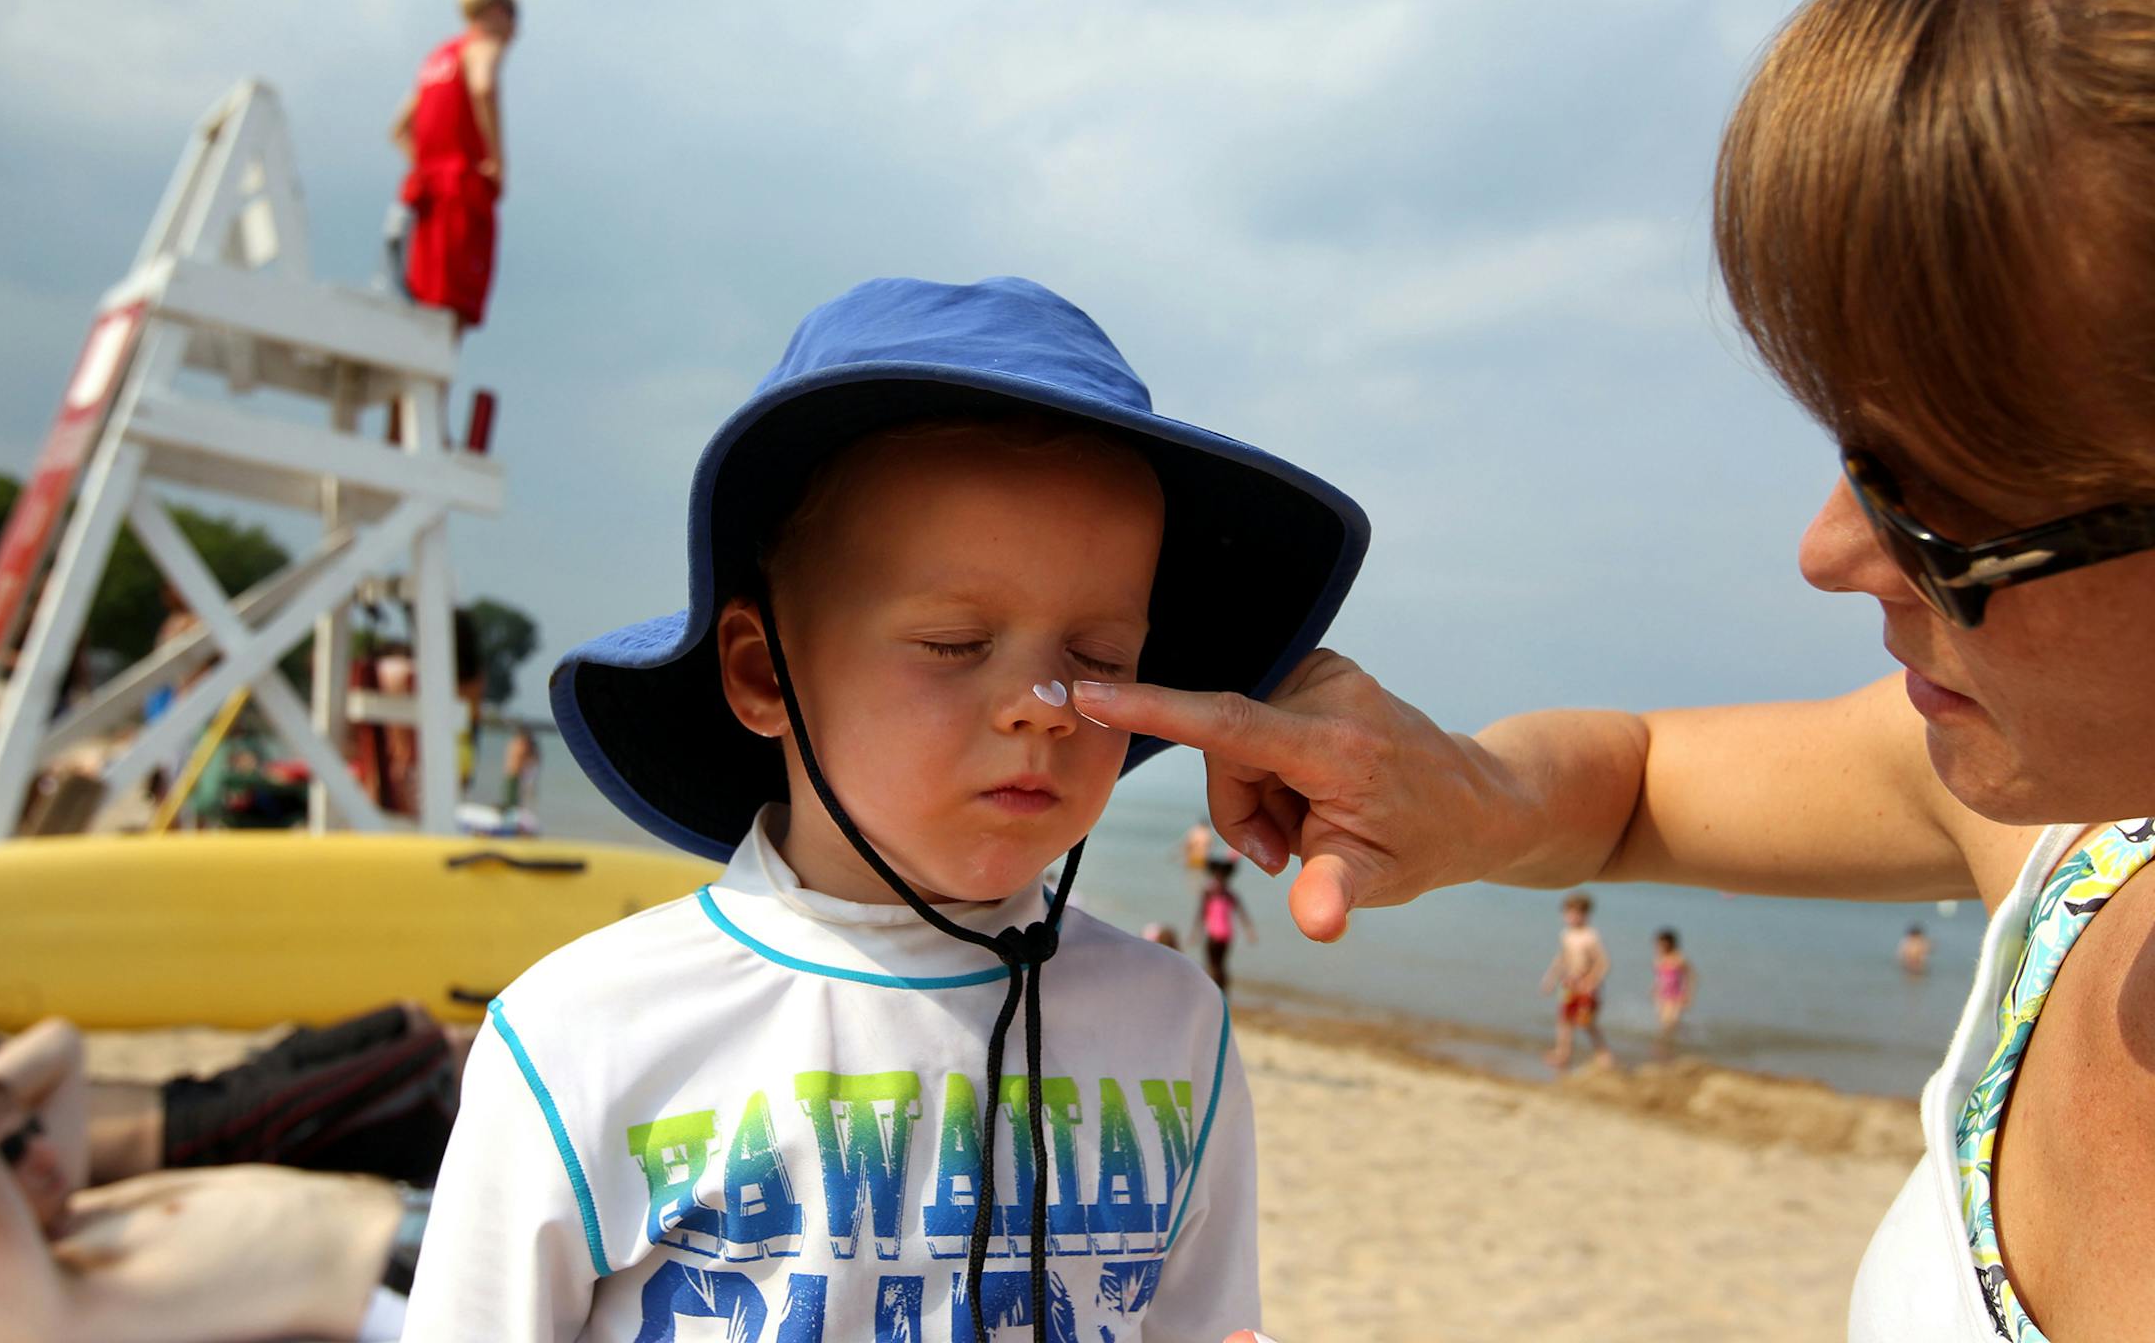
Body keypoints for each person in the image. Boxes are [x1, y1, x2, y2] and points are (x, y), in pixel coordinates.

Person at [1084, 0, 2155, 1338]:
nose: (1830, 551)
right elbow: (1636, 785)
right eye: (1849, 453)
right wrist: (1467, 793)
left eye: (1935, 502)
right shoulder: (2076, 834)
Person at [401, 277, 1367, 1342]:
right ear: (765, 671)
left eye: (1099, 659)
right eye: (955, 645)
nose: (1040, 707)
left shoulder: (1175, 1033)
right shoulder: (584, 1039)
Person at [0, 1017, 424, 1342]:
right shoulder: (51, 1307)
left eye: (33, 1131)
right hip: (406, 1285)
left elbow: (61, 1042)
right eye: (9, 1153)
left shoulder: (73, 1210)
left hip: (420, 1223)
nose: (44, 1153)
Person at [389, 0, 516, 337]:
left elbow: (400, 130)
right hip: (461, 194)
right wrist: (496, 159)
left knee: (423, 303)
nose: (513, 34)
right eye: (512, 19)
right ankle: (434, 392)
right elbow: (483, 86)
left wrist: (428, 163)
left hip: (427, 197)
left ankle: (410, 391)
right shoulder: (480, 47)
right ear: (495, 11)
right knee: (451, 311)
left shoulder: (438, 58)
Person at [1539, 892, 1611, 1071]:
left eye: (1578, 913)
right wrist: (1550, 978)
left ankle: (1604, 1055)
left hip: (1585, 986)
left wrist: (1592, 981)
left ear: (1586, 914)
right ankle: (1563, 1054)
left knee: (1586, 1022)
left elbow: (1603, 962)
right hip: (1569, 984)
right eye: (1569, 913)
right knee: (1564, 1020)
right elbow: (1561, 958)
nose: (1573, 917)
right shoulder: (1566, 935)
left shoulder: (1590, 936)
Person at [1195, 856, 1257, 992]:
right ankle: (1219, 991)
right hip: (1220, 935)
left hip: (1220, 935)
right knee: (1217, 965)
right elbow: (1200, 914)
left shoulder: (1213, 894)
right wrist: (1195, 933)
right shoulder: (1224, 894)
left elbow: (1200, 914)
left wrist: (1250, 931)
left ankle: (1217, 991)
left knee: (1215, 965)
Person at [1650, 928, 1697, 1055]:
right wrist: (1654, 989)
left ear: (1670, 943)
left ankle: (1663, 1048)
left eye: (1663, 943)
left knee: (1670, 1023)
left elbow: (1692, 976)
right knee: (1665, 1023)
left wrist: (1688, 994)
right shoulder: (1659, 959)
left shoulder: (1679, 959)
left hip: (1676, 996)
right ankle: (1675, 1042)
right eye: (1659, 943)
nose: (1660, 946)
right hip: (1662, 996)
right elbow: (1658, 977)